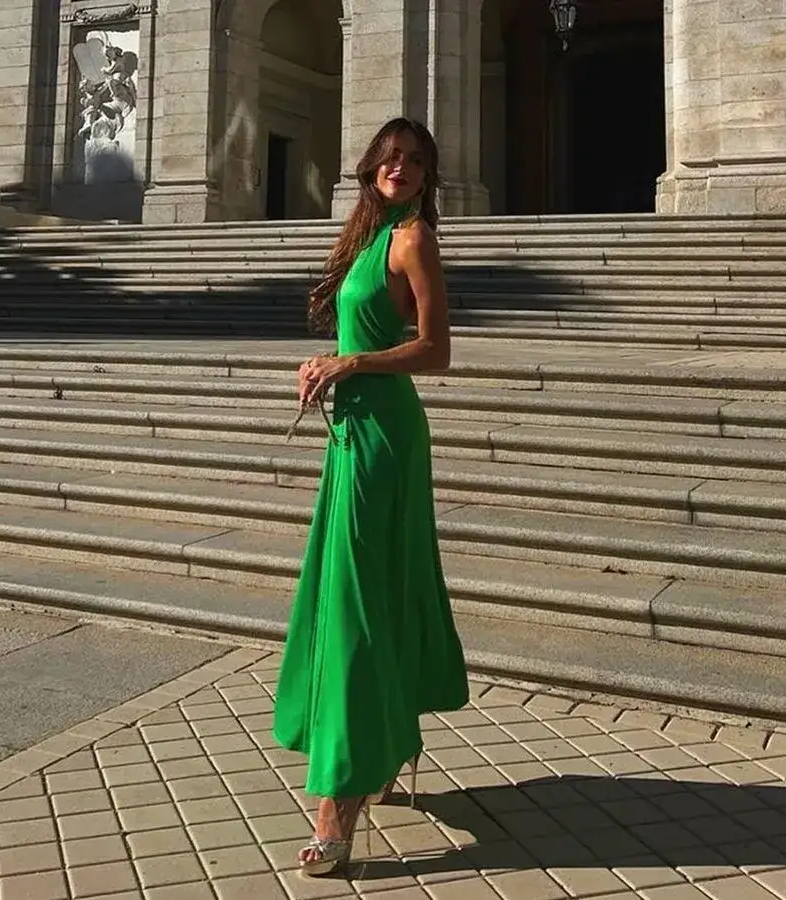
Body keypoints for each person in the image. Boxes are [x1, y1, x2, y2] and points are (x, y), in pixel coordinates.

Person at [271, 117, 470, 877]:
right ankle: (384, 749)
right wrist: (329, 363)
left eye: (416, 161)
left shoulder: (414, 238)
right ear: (371, 166)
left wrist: (353, 361)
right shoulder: (368, 235)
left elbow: (437, 348)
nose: (403, 168)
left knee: (357, 609)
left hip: (384, 442)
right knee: (367, 596)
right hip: (353, 437)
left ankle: (336, 805)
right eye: (392, 158)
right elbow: (365, 334)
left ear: (427, 176)